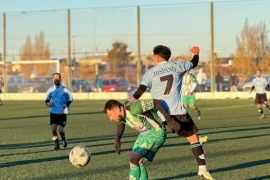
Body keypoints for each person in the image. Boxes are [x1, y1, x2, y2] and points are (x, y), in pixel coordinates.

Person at [128, 45, 213, 180]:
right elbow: (194, 63)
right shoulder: (177, 66)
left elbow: (140, 91)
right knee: (193, 139)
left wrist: (130, 100)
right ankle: (202, 169)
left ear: (156, 57)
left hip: (157, 113)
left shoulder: (150, 72)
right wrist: (196, 53)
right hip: (176, 110)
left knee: (143, 149)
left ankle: (137, 161)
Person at [103, 99, 180, 180]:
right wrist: (117, 139)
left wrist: (169, 120)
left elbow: (156, 102)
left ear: (117, 109)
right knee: (135, 161)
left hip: (156, 132)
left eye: (110, 115)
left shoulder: (134, 108)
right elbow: (120, 124)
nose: (110, 119)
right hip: (144, 135)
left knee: (133, 159)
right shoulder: (121, 116)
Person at [45, 73, 73, 150]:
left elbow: (70, 98)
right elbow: (47, 99)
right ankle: (56, 144)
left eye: (58, 78)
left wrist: (66, 104)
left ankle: (63, 139)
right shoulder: (50, 90)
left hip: (62, 112)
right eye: (55, 78)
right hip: (53, 112)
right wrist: (48, 103)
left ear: (60, 79)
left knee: (60, 129)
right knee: (53, 129)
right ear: (53, 79)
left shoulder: (65, 89)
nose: (56, 79)